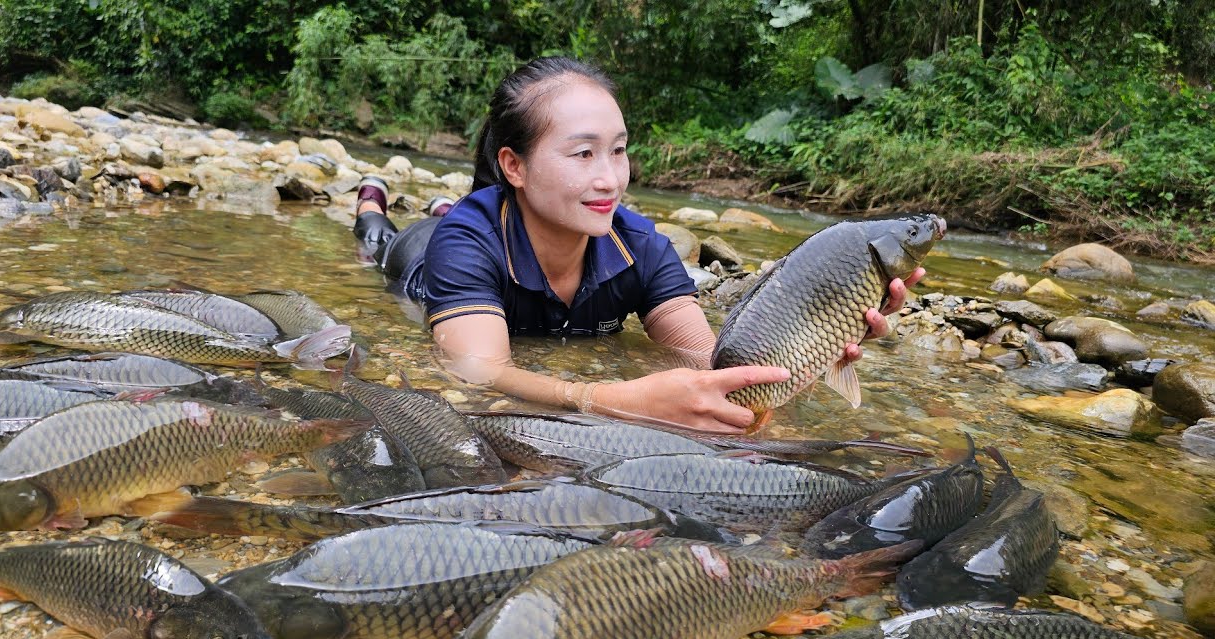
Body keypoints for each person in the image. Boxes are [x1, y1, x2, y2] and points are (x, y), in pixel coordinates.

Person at [354, 56, 924, 434]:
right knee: (378, 243)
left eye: (619, 150)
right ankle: (375, 204)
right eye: (583, 154)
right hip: (422, 259)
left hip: (496, 222)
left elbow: (708, 364)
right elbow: (477, 371)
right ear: (514, 164)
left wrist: (811, 338)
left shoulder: (639, 244)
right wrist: (610, 398)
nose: (610, 179)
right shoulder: (467, 243)